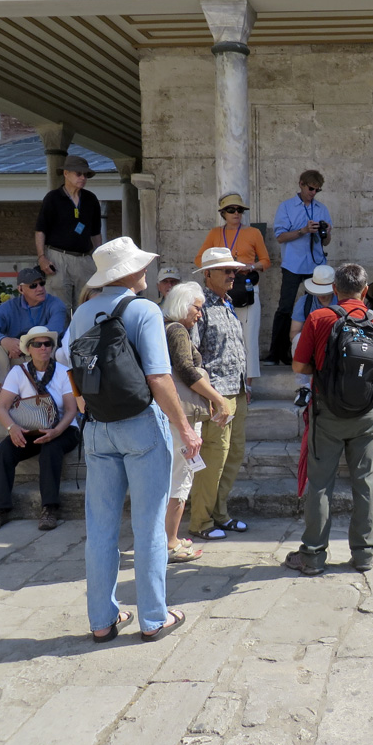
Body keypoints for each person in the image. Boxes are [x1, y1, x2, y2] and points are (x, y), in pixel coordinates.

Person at [63, 236, 200, 643]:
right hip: (140, 423)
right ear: (132, 272)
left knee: (101, 528)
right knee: (148, 527)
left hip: (99, 427)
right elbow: (159, 377)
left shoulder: (82, 311)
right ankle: (154, 618)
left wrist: (87, 404)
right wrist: (185, 427)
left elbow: (66, 365)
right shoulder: (144, 310)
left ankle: (102, 620)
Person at [285, 263, 373, 575]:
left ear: (334, 289)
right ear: (366, 290)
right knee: (365, 485)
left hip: (328, 413)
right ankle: (363, 555)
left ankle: (313, 557)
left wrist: (324, 372)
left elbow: (298, 366)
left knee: (320, 485)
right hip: (367, 415)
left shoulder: (319, 318)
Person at [0, 326, 80, 534]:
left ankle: (49, 509)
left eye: (47, 344)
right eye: (38, 344)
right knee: (3, 453)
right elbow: (1, 407)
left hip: (62, 428)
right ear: (29, 348)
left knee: (51, 450)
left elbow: (72, 410)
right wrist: (12, 427)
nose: (43, 348)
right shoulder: (18, 372)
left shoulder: (64, 372)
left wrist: (56, 431)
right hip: (29, 428)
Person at [162, 281, 232, 563]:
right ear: (182, 304)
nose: (200, 315)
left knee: (174, 476)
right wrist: (219, 398)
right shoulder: (177, 329)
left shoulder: (160, 325)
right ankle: (170, 543)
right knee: (181, 478)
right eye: (197, 308)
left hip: (169, 413)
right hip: (183, 416)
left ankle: (166, 538)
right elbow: (186, 368)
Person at [188, 247, 250, 541]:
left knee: (233, 455)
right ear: (208, 274)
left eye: (233, 270)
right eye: (225, 270)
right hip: (216, 396)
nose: (231, 275)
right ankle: (200, 521)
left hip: (236, 391)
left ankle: (219, 513)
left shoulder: (226, 303)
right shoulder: (200, 307)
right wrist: (212, 397)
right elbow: (193, 357)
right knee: (214, 457)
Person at [195, 193, 272, 384]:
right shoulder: (215, 233)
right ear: (223, 213)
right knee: (222, 335)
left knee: (249, 335)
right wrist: (216, 271)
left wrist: (250, 266)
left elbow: (266, 261)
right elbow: (199, 259)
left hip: (246, 286)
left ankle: (249, 384)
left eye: (239, 210)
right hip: (222, 288)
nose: (236, 213)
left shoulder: (253, 232)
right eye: (231, 210)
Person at [265, 170, 331, 365]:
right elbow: (280, 237)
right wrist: (303, 230)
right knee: (285, 307)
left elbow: (326, 242)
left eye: (317, 190)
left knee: (318, 306)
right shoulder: (286, 207)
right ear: (301, 184)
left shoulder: (322, 208)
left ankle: (315, 350)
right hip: (293, 265)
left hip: (317, 265)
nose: (313, 193)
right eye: (310, 188)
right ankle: (277, 353)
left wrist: (325, 232)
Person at [0, 267, 68, 406]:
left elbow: (54, 331)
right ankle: (5, 389)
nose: (39, 288)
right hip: (17, 356)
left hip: (43, 354)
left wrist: (22, 345)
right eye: (33, 286)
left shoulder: (55, 304)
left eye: (41, 283)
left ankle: (43, 389)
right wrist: (5, 340)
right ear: (21, 289)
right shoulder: (10, 306)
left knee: (48, 343)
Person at [35, 154, 103, 308]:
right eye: (78, 174)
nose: (83, 178)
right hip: (58, 257)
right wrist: (42, 257)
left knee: (87, 306)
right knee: (59, 307)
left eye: (85, 175)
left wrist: (98, 258)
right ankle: (61, 333)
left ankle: (84, 333)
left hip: (85, 258)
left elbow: (96, 233)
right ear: (66, 173)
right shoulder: (52, 198)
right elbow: (40, 230)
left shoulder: (91, 199)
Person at [290, 265, 338, 408]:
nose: (322, 295)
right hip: (312, 345)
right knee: (298, 339)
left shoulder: (341, 301)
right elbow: (293, 333)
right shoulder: (305, 302)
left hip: (335, 344)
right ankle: (303, 387)